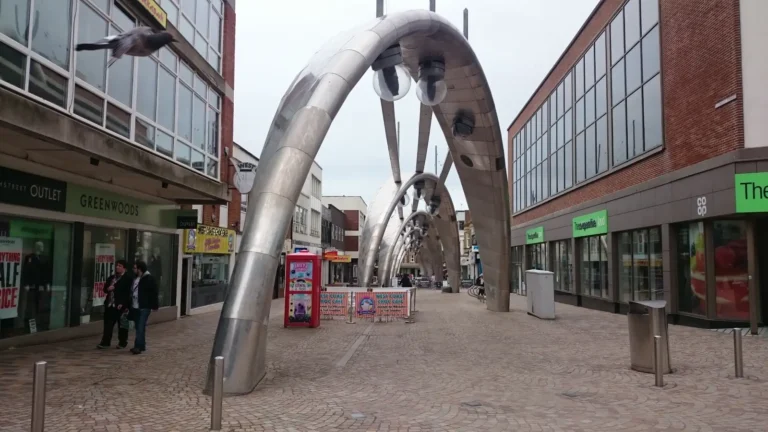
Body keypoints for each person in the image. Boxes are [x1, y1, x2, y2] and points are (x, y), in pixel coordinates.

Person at [97, 260, 132, 349]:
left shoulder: (128, 279)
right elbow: (105, 289)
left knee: (122, 325)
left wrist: (123, 304)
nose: (117, 267)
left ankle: (122, 342)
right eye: (117, 266)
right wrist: (108, 288)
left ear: (124, 268)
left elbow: (128, 293)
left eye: (120, 266)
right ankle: (105, 342)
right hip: (110, 305)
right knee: (108, 325)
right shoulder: (112, 278)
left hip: (121, 306)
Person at [130, 261, 159, 355]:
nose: (134, 270)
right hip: (135, 306)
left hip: (144, 306)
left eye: (135, 268)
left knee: (140, 327)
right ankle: (141, 345)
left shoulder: (149, 279)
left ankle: (138, 346)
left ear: (140, 269)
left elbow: (154, 293)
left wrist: (154, 305)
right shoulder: (135, 279)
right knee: (139, 327)